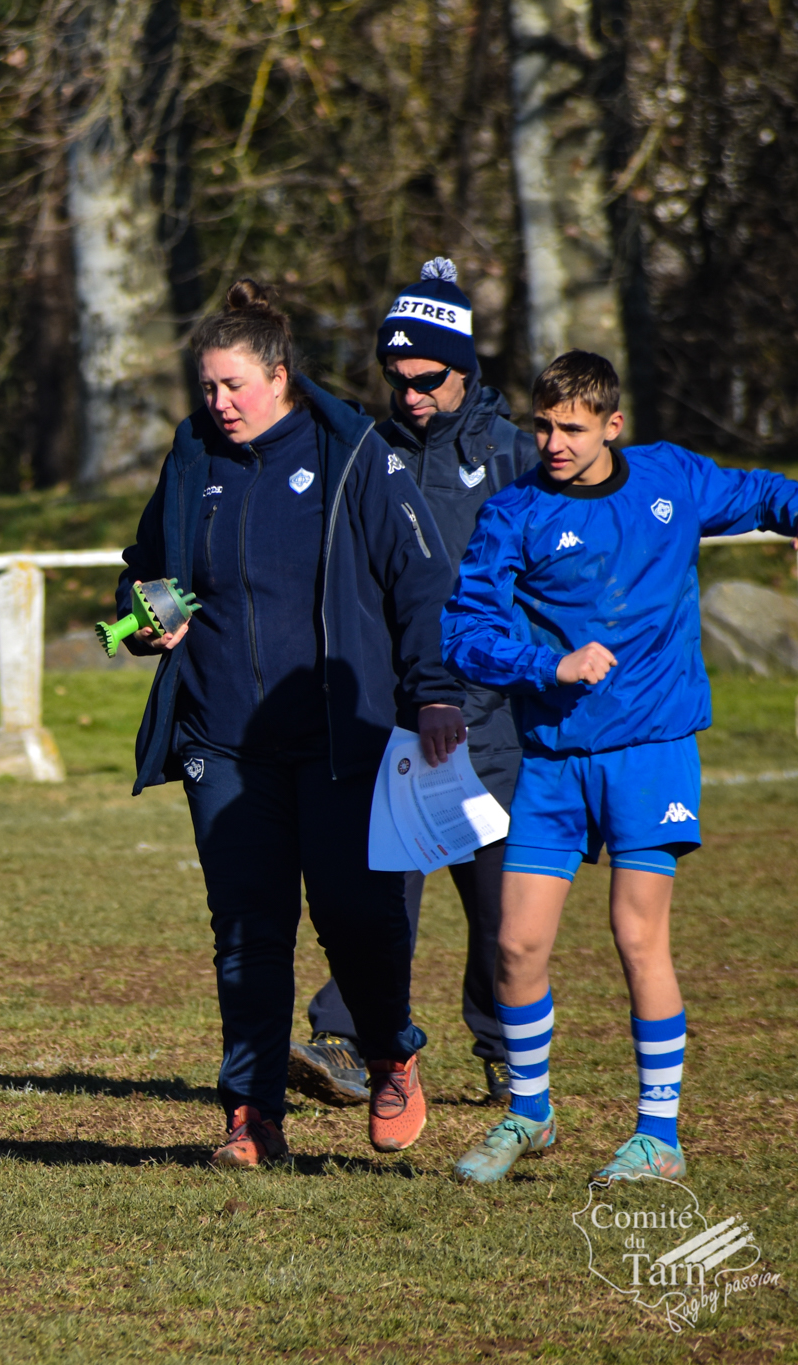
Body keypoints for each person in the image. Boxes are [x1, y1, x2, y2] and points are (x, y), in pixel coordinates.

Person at [441, 350, 798, 1184]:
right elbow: (463, 633)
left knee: (637, 935)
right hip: (553, 758)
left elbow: (755, 489)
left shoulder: (670, 478)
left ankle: (658, 1136)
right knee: (516, 943)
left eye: (572, 429)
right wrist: (548, 665)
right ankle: (530, 1114)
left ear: (612, 425)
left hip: (651, 751)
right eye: (543, 426)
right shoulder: (515, 512)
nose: (553, 443)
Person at [116, 280, 465, 1168]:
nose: (219, 403)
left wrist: (433, 691)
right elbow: (144, 568)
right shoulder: (192, 459)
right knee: (246, 929)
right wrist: (146, 614)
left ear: (279, 376)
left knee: (355, 916)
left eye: (233, 385)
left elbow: (422, 581)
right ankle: (251, 1115)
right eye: (207, 387)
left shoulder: (353, 453)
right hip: (222, 739)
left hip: (338, 735)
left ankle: (389, 1051)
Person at [288, 258, 540, 1111]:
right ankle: (348, 1039)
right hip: (393, 721)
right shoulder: (368, 455)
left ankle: (509, 1056)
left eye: (427, 378)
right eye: (396, 379)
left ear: (464, 369)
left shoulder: (515, 457)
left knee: (501, 914)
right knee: (379, 897)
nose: (410, 394)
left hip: (495, 725)